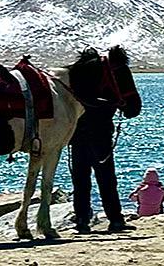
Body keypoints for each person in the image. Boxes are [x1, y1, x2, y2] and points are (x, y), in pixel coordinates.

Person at [69, 48, 141, 234]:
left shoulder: (79, 83)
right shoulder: (112, 73)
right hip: (99, 134)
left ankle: (82, 220)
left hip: (78, 134)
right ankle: (115, 219)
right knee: (106, 178)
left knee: (80, 178)